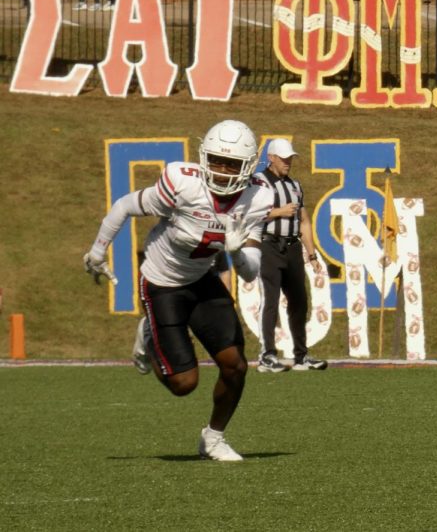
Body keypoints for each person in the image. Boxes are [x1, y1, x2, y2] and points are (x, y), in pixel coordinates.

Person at [82, 119, 275, 461]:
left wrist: (235, 251)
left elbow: (250, 274)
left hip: (202, 278)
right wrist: (98, 251)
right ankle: (149, 337)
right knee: (184, 385)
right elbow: (125, 205)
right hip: (161, 281)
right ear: (203, 157)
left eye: (231, 163)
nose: (222, 170)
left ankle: (213, 439)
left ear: (248, 166)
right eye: (216, 160)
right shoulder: (182, 184)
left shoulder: (258, 197)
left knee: (235, 365)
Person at [255, 138, 326, 373]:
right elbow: (247, 215)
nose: (288, 162)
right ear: (271, 157)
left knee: (299, 301)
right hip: (269, 245)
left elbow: (304, 221)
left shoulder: (295, 186)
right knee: (271, 300)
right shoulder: (258, 183)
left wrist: (312, 255)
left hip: (292, 247)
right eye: (283, 158)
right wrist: (278, 212)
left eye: (290, 158)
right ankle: (267, 355)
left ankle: (301, 355)